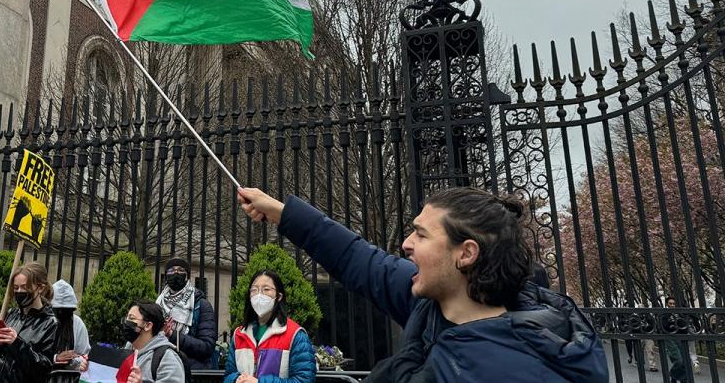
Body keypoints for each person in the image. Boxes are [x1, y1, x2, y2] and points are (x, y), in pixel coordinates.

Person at [237, 186, 609, 383]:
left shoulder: (512, 368)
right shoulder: (434, 302)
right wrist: (280, 211)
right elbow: (358, 258)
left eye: (421, 235)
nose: (406, 245)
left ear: (466, 254)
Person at [223, 270, 315, 383]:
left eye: (266, 289)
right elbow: (228, 375)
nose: (259, 295)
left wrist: (259, 382)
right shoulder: (239, 334)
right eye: (254, 290)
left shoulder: (295, 335)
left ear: (279, 296)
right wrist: (236, 379)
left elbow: (304, 380)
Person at [0, 262, 57, 383]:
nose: (19, 292)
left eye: (25, 287)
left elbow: (44, 371)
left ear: (40, 288)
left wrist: (17, 344)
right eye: (16, 287)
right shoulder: (7, 315)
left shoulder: (51, 324)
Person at [156, 258, 217, 369]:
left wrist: (173, 335)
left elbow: (207, 347)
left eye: (180, 270)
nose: (176, 273)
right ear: (166, 276)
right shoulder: (159, 304)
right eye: (171, 270)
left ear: (187, 276)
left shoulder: (201, 305)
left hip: (191, 371)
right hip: (163, 368)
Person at [120, 300, 185, 383]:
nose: (126, 322)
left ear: (147, 325)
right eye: (127, 317)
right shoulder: (126, 353)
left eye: (131, 318)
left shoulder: (167, 359)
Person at [50, 279, 90, 381]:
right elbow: (34, 355)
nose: (61, 313)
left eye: (65, 310)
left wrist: (81, 363)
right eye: (58, 309)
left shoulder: (77, 324)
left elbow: (84, 353)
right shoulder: (44, 322)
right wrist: (56, 358)